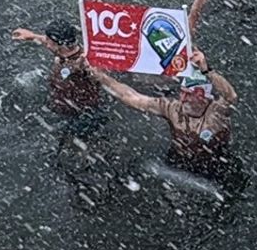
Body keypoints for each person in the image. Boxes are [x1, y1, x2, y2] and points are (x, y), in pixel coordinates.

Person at [90, 46, 236, 169]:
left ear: (202, 95)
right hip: (179, 161)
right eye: (182, 93)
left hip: (215, 164)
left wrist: (206, 70)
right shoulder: (172, 108)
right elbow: (134, 98)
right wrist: (103, 78)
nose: (182, 99)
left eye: (188, 94)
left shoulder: (216, 111)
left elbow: (231, 96)